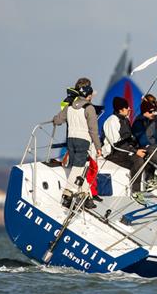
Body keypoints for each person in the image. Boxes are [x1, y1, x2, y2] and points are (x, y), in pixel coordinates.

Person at [52, 77, 102, 209]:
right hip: (82, 141)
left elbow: (57, 120)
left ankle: (86, 197)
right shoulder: (89, 108)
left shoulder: (69, 107)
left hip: (71, 140)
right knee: (78, 169)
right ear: (89, 96)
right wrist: (98, 147)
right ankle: (67, 195)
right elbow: (93, 130)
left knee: (80, 170)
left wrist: (54, 119)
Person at [102, 96, 147, 193]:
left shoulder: (125, 120)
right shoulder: (112, 121)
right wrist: (135, 151)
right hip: (113, 153)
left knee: (149, 154)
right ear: (121, 110)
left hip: (126, 151)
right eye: (127, 107)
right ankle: (136, 191)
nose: (129, 109)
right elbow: (117, 144)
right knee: (138, 160)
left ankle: (150, 182)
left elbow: (129, 138)